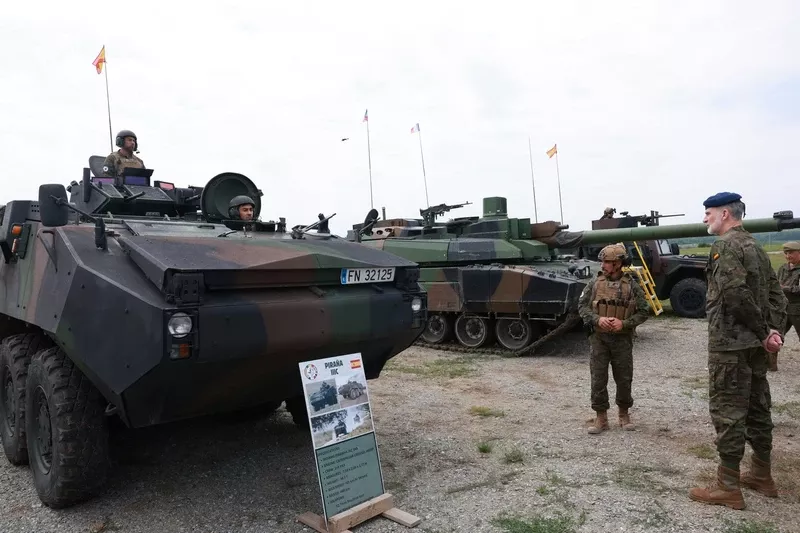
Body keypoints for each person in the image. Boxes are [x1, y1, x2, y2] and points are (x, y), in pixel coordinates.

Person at [689, 192, 787, 510]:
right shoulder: (755, 246)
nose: (705, 218)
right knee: (758, 408)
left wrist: (762, 332)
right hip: (754, 346)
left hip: (730, 346)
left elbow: (734, 293)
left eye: (709, 213)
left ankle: (727, 486)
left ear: (726, 214)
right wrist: (771, 330)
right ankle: (761, 474)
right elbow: (776, 292)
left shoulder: (726, 246)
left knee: (728, 412)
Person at [578, 243, 651, 435]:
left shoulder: (631, 285)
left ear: (618, 264)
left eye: (607, 262)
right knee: (598, 378)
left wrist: (624, 324)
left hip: (622, 340)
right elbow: (582, 307)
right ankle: (601, 418)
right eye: (602, 261)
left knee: (624, 378)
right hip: (599, 339)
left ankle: (624, 415)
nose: (603, 265)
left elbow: (644, 311)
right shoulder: (594, 283)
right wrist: (597, 319)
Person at [777, 241, 800, 347]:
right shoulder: (783, 268)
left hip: (797, 310)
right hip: (783, 309)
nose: (787, 256)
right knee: (776, 337)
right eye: (786, 253)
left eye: (790, 253)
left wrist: (784, 288)